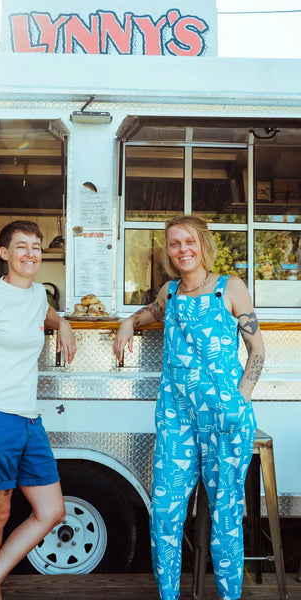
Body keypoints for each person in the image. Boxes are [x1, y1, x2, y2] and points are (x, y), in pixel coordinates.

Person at [113, 215, 265, 600]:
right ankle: (169, 595)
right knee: (164, 512)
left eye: (189, 242)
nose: (182, 249)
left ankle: (229, 596)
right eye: (174, 243)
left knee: (225, 516)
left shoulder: (230, 288)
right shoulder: (171, 293)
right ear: (167, 250)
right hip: (176, 417)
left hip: (225, 418)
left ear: (203, 246)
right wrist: (129, 322)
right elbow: (150, 311)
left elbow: (257, 350)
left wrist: (240, 398)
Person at [0, 220, 76, 600]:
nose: (31, 253)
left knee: (52, 511)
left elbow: (44, 314)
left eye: (36, 247)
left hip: (28, 420)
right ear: (4, 254)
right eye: (21, 246)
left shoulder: (39, 295)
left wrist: (63, 322)